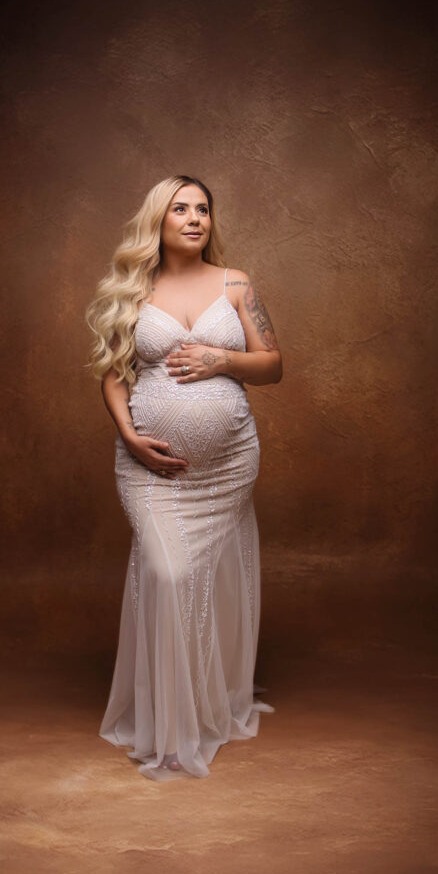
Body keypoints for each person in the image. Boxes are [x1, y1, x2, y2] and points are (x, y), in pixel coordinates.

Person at [85, 175, 282, 780]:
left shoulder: (236, 284)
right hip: (151, 467)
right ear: (159, 220)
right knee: (169, 574)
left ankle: (204, 705)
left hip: (227, 465)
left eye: (203, 209)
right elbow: (114, 375)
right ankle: (170, 734)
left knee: (205, 578)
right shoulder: (131, 289)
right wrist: (128, 434)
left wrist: (220, 359)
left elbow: (273, 365)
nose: (195, 218)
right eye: (181, 209)